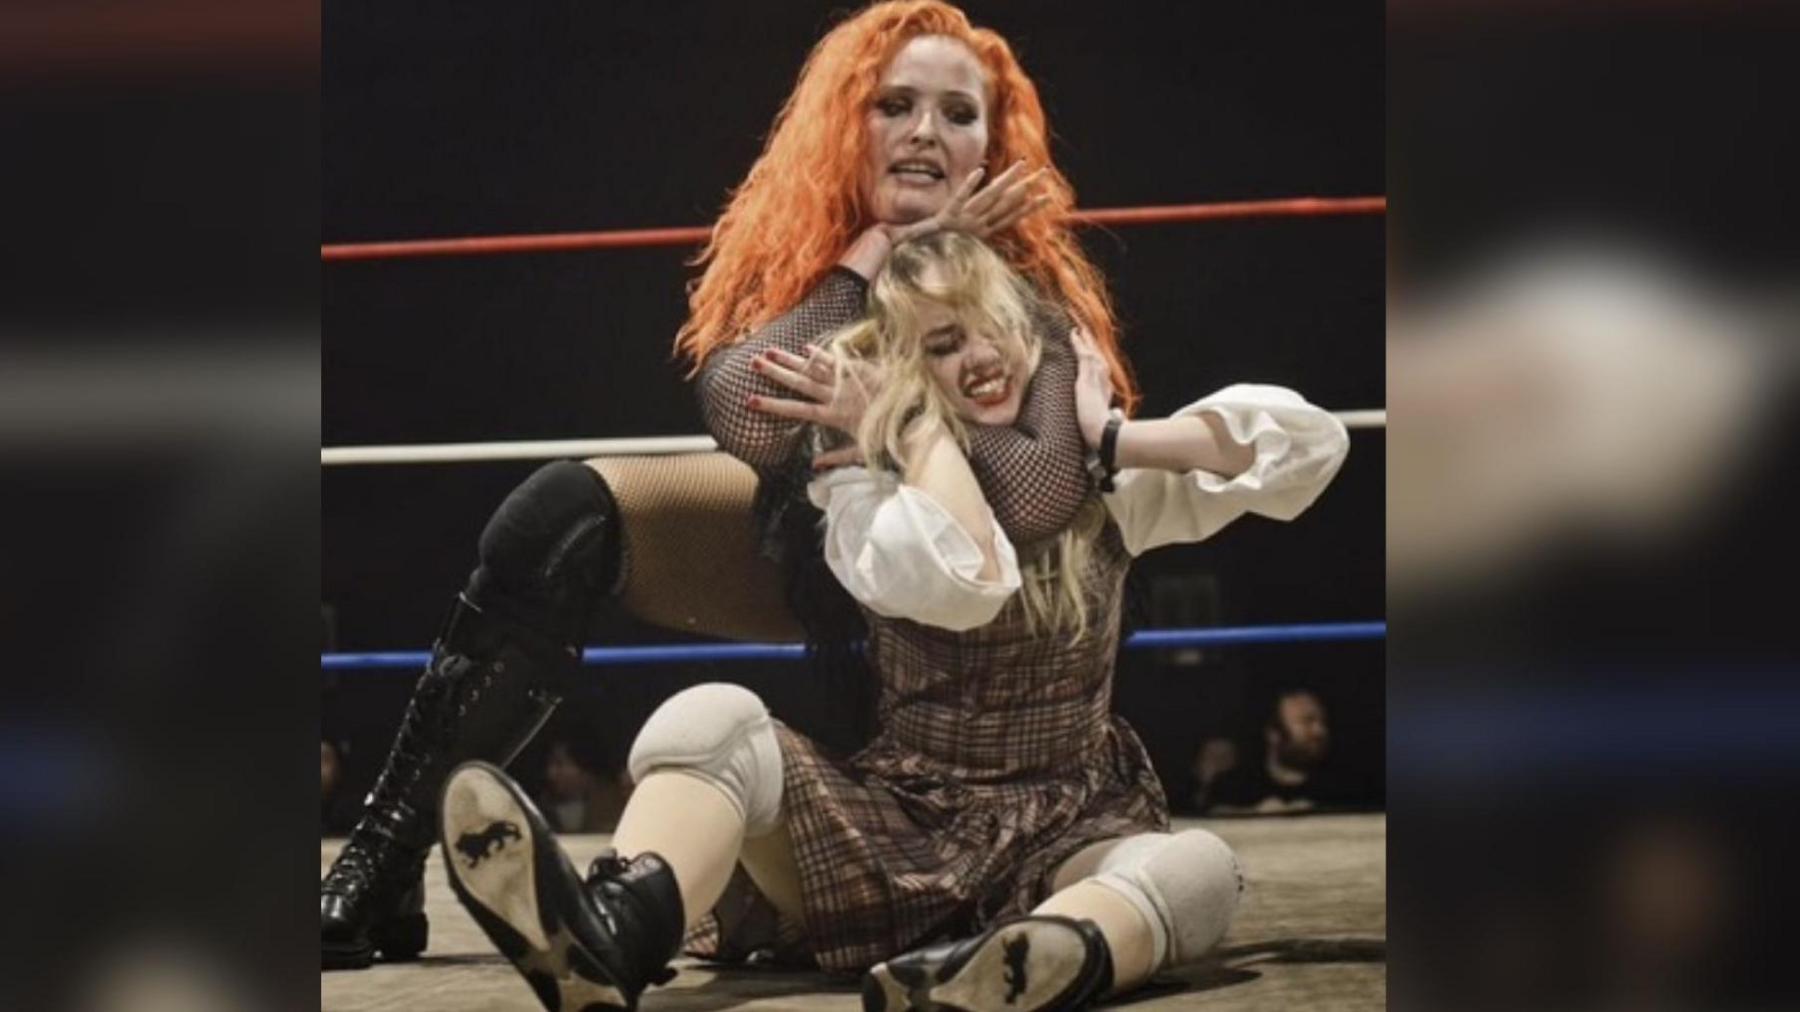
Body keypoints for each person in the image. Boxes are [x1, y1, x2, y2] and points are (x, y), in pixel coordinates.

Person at [320, 0, 1084, 974]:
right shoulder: (823, 254)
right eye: (896, 104)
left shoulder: (1028, 288)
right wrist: (888, 252)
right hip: (837, 546)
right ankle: (387, 859)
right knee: (560, 515)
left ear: (993, 145)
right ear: (848, 127)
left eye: (958, 113)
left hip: (989, 619)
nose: (927, 131)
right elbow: (747, 410)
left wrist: (930, 346)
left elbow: (1033, 500)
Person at [440, 225, 1348, 1010]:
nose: (981, 355)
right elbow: (968, 579)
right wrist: (911, 433)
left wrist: (1112, 440)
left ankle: (1016, 971)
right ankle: (611, 932)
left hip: (1067, 831)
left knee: (1197, 868)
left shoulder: (1103, 489)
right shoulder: (860, 490)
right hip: (897, 830)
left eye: (1001, 328)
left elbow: (1311, 446)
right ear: (909, 371)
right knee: (708, 716)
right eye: (944, 344)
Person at [1206, 689, 1347, 815]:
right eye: (1307, 722)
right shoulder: (1234, 788)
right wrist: (1253, 815)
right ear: (1274, 734)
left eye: (1322, 722)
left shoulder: (1343, 789)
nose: (1320, 731)